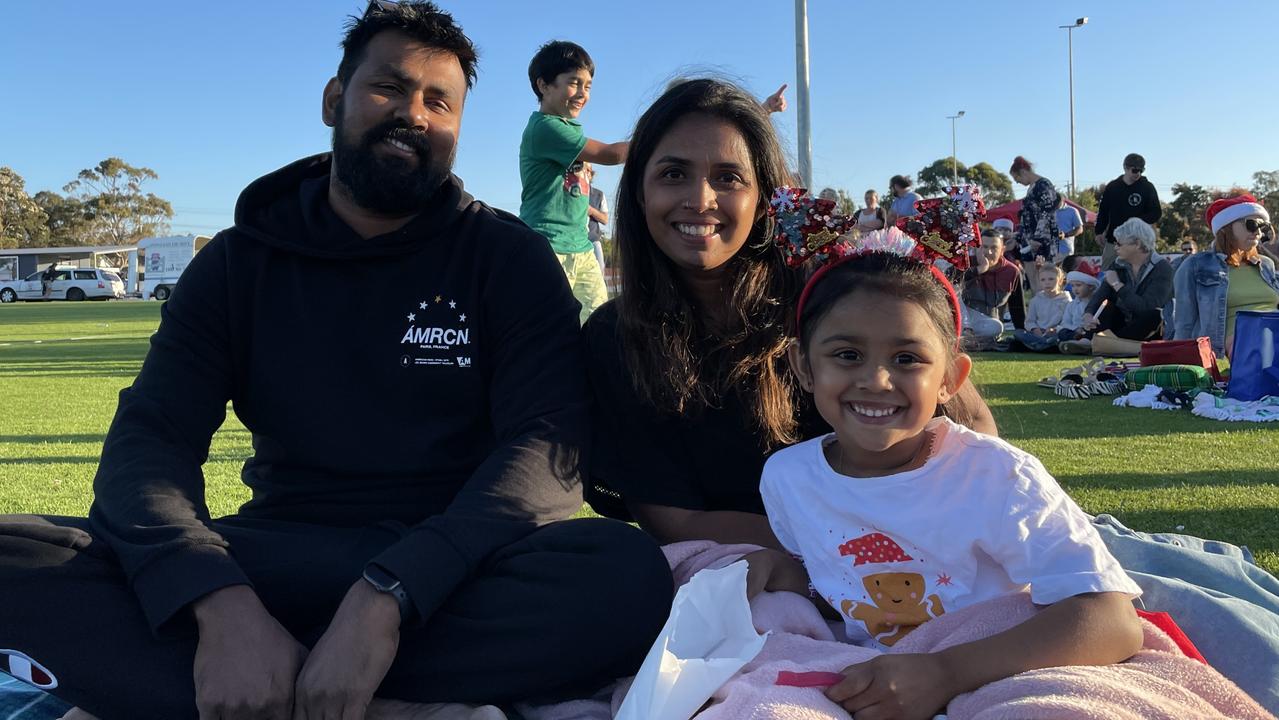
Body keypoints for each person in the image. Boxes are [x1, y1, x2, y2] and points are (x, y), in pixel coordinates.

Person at [0, 4, 672, 718]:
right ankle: (359, 697)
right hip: (278, 554)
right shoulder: (239, 262)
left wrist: (389, 596)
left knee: (622, 574)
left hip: (452, 564)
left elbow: (545, 449)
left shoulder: (506, 259)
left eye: (438, 102)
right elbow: (150, 441)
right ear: (334, 99)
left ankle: (261, 689)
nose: (413, 114)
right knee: (15, 560)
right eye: (389, 87)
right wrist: (216, 601)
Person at [583, 78, 996, 551]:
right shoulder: (616, 334)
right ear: (638, 192)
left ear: (764, 198)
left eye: (728, 177)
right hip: (749, 581)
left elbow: (976, 431)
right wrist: (840, 557)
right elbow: (672, 520)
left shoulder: (837, 293)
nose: (700, 199)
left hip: (913, 564)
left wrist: (897, 549)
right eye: (673, 174)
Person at [754, 240, 1142, 717]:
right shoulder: (788, 478)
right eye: (848, 355)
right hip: (874, 671)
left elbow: (1113, 620)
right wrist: (779, 575)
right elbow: (834, 586)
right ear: (803, 367)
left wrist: (944, 674)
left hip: (997, 666)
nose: (876, 380)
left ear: (950, 378)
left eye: (907, 359)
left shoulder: (997, 476)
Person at [519, 40, 628, 325]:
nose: (582, 94)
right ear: (544, 85)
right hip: (549, 246)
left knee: (598, 321)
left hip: (580, 246)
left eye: (588, 86)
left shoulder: (567, 130)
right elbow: (611, 154)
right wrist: (661, 134)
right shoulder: (545, 128)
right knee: (550, 327)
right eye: (574, 83)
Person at [1174, 194, 1279, 358]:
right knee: (1260, 338)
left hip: (1273, 331)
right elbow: (1184, 324)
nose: (1258, 232)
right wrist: (1181, 361)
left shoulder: (1265, 264)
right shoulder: (1195, 265)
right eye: (1251, 224)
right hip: (1235, 343)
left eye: (1262, 226)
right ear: (1226, 227)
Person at [1079, 218, 1174, 356]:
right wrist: (1088, 314)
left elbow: (1145, 307)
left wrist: (1118, 285)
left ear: (1137, 244)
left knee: (1154, 315)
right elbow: (1101, 295)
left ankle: (1104, 344)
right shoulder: (1118, 264)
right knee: (1107, 307)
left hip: (1146, 329)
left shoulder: (1162, 268)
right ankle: (1091, 341)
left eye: (1119, 243)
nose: (1115, 247)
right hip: (1122, 324)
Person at [1095, 153, 1162, 271]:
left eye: (1141, 170)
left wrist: (1136, 222)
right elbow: (1104, 210)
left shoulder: (1147, 187)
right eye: (1135, 170)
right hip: (1115, 240)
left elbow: (1156, 212)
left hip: (1139, 240)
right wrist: (1099, 231)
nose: (1138, 174)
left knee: (1145, 272)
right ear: (1125, 167)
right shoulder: (1113, 187)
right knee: (1107, 272)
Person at [960, 230, 1023, 346]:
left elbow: (1017, 307)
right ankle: (966, 335)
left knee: (997, 327)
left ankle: (965, 341)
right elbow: (948, 281)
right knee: (954, 290)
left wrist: (1022, 333)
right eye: (984, 247)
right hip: (961, 318)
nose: (988, 252)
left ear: (1002, 250)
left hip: (985, 323)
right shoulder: (965, 263)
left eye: (994, 248)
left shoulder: (1012, 271)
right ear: (977, 248)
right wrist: (979, 269)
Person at [1009, 156, 1059, 270]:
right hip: (1030, 240)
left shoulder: (1043, 185)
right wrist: (1018, 236)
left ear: (1023, 172)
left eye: (1016, 177)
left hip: (1042, 242)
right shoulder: (1031, 188)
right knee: (1034, 276)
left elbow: (1048, 212)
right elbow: (1026, 217)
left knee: (1045, 275)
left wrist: (1038, 238)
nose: (1016, 182)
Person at [1014, 264, 1071, 351]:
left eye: (1051, 279)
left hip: (1054, 333)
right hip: (1037, 332)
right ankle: (1044, 343)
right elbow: (1029, 321)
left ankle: (1040, 344)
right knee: (1018, 333)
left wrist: (1055, 329)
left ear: (1059, 280)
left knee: (1063, 336)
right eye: (1043, 280)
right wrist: (1035, 329)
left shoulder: (1066, 301)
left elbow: (1067, 322)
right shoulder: (1035, 300)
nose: (1047, 282)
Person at [1058, 270, 1100, 354]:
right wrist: (1076, 329)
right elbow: (1065, 322)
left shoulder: (1095, 304)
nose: (1075, 289)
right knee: (1062, 332)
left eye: (1078, 285)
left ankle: (1083, 344)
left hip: (1089, 330)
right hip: (1075, 331)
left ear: (1091, 287)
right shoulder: (1071, 305)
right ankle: (1076, 342)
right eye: (1073, 286)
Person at [583, 161, 608, 277]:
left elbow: (605, 219)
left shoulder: (599, 195)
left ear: (591, 174)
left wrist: (591, 211)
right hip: (573, 242)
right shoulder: (570, 191)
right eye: (583, 169)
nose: (585, 172)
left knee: (599, 275)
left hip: (593, 241)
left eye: (588, 170)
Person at [1054, 194, 1084, 262]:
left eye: (1057, 203)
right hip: (1051, 251)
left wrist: (1065, 235)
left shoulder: (1072, 211)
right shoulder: (1049, 211)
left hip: (1066, 250)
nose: (1055, 205)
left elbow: (1080, 229)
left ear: (1063, 201)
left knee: (1066, 272)